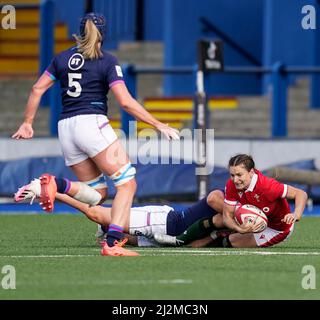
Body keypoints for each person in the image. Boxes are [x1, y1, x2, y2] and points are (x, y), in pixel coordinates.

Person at [12, 12, 179, 257]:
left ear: (80, 32)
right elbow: (126, 103)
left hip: (66, 128)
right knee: (127, 184)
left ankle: (55, 184)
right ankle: (112, 243)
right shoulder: (107, 61)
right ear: (103, 33)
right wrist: (159, 125)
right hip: (92, 124)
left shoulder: (61, 58)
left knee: (98, 195)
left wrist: (27, 123)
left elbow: (37, 89)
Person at [15, 179, 226, 249]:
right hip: (165, 222)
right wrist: (242, 222)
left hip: (167, 238)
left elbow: (193, 243)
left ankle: (109, 228)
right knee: (97, 213)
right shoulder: (225, 200)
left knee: (114, 228)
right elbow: (216, 201)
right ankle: (50, 187)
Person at [219, 154, 308, 248]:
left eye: (239, 175)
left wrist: (296, 214)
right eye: (232, 175)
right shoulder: (231, 184)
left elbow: (301, 194)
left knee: (229, 242)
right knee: (214, 201)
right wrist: (239, 229)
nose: (235, 180)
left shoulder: (267, 186)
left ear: (251, 172)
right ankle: (216, 232)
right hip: (256, 216)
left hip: (277, 229)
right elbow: (227, 216)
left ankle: (220, 235)